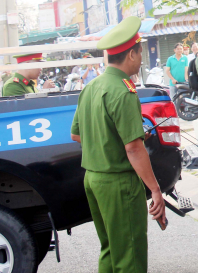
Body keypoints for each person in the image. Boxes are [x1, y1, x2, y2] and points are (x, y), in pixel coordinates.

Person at [69, 16, 166, 273]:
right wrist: (155, 190)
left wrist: (121, 137)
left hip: (94, 179)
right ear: (131, 55)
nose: (142, 59)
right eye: (141, 52)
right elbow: (133, 149)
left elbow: (77, 135)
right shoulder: (124, 91)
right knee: (130, 258)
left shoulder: (91, 87)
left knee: (111, 251)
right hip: (119, 183)